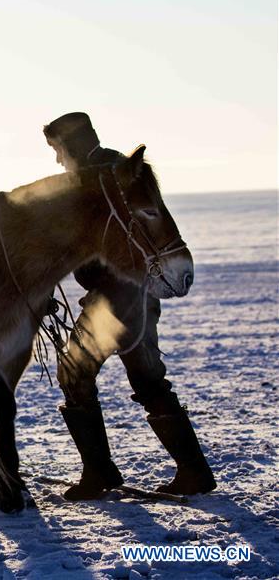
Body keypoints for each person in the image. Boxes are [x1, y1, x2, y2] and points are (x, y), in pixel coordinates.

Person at [43, 112, 216, 499]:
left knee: (74, 373)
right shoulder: (115, 171)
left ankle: (100, 471)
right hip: (134, 294)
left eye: (57, 148)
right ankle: (193, 471)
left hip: (117, 297)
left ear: (70, 143)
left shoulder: (103, 180)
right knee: (148, 379)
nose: (56, 158)